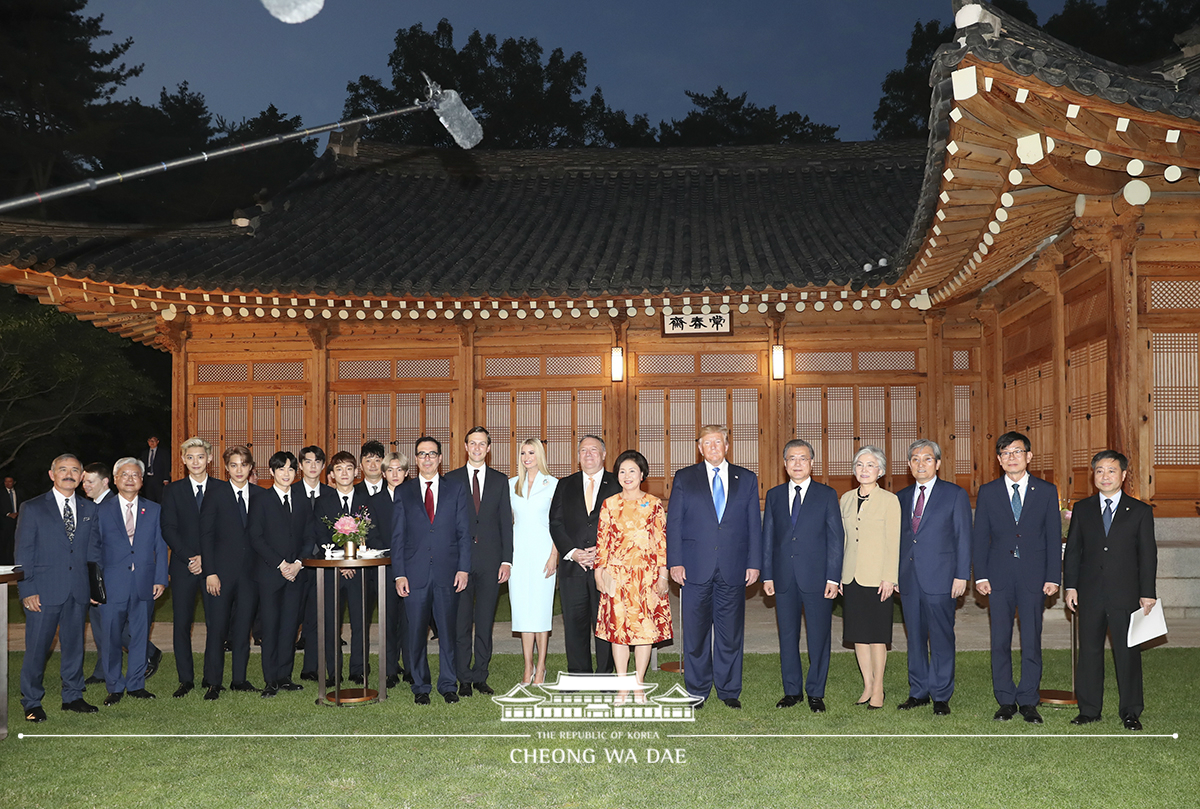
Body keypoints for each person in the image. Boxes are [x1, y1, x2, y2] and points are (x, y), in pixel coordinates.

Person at [666, 425, 762, 709]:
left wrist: (754, 563)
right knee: (695, 634)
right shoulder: (685, 478)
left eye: (717, 442)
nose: (712, 448)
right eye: (706, 443)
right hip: (694, 567)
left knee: (730, 633)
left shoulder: (746, 478)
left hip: (733, 567)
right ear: (699, 448)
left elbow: (753, 526)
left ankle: (729, 689)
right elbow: (675, 524)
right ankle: (697, 690)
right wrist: (675, 562)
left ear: (727, 446)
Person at [972, 431, 1061, 723]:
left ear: (1029, 456)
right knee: (1000, 640)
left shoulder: (1047, 491)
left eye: (1017, 451)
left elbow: (1052, 536)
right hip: (998, 577)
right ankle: (1005, 699)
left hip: (1034, 577)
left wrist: (1053, 576)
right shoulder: (988, 491)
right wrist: (980, 575)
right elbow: (980, 536)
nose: (1012, 457)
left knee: (1031, 639)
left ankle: (1028, 699)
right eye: (1006, 453)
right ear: (999, 459)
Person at [1065, 450, 1157, 731]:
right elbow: (1073, 552)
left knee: (1127, 653)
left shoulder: (1140, 511)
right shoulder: (1082, 509)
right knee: (1090, 652)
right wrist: (1070, 586)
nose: (1105, 476)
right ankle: (1089, 709)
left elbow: (1147, 555)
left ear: (1124, 475)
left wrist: (1148, 592)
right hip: (1090, 593)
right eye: (1100, 471)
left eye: (1112, 471)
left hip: (1126, 594)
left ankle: (1131, 711)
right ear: (1094, 476)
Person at [17, 454, 101, 722]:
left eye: (75, 470)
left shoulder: (90, 510)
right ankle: (31, 701)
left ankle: (73, 696)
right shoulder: (32, 508)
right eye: (63, 469)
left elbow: (92, 552)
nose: (69, 474)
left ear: (81, 477)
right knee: (37, 648)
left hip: (77, 590)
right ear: (52, 474)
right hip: (43, 590)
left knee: (75, 646)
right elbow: (24, 552)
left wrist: (94, 588)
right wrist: (27, 588)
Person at [762, 439, 843, 712]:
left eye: (803, 459)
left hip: (818, 579)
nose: (798, 464)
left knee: (819, 636)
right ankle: (792, 691)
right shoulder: (773, 495)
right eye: (792, 459)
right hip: (784, 578)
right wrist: (767, 575)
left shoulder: (827, 494)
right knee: (788, 636)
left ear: (812, 463)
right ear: (785, 464)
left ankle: (816, 691)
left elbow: (836, 539)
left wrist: (834, 577)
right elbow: (768, 538)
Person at [391, 436, 471, 704]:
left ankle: (448, 684)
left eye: (432, 454)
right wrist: (399, 574)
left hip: (448, 573)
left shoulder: (456, 489)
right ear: (415, 459)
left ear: (439, 459)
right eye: (421, 454)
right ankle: (420, 686)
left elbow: (463, 533)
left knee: (447, 632)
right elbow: (398, 537)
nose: (427, 459)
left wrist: (463, 569)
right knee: (416, 634)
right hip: (414, 574)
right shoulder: (404, 491)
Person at [896, 439, 972, 716]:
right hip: (908, 578)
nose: (921, 464)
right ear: (909, 465)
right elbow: (897, 540)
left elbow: (964, 537)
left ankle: (941, 694)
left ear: (938, 464)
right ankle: (918, 691)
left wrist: (962, 575)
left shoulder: (954, 494)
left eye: (927, 459)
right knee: (914, 637)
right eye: (915, 459)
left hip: (942, 577)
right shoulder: (901, 497)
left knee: (941, 637)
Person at [594, 450, 670, 704]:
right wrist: (599, 571)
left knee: (643, 633)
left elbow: (661, 542)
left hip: (645, 577)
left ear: (642, 474)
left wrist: (662, 575)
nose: (627, 476)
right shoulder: (610, 504)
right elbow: (602, 541)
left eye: (632, 471)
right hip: (616, 576)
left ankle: (638, 685)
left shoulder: (654, 504)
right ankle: (623, 687)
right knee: (619, 633)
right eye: (623, 471)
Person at [93, 457, 168, 705]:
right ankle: (114, 686)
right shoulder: (100, 511)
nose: (130, 478)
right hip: (112, 584)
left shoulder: (154, 509)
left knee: (139, 635)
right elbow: (93, 550)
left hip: (145, 583)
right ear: (115, 480)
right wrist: (95, 585)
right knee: (112, 638)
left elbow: (160, 545)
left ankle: (136, 685)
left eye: (135, 475)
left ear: (142, 480)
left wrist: (160, 578)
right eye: (124, 474)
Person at [447, 427, 513, 696]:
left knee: (485, 622)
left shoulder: (500, 481)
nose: (476, 448)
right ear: (465, 447)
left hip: (490, 562)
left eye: (482, 444)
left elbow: (505, 524)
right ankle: (463, 677)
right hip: (460, 564)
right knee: (461, 623)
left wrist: (507, 561)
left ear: (488, 449)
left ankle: (480, 675)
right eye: (472, 443)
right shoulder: (450, 480)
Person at [550, 435, 619, 675]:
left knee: (605, 622)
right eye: (583, 451)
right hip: (573, 568)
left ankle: (605, 674)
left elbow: (625, 526)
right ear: (578, 456)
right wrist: (572, 552)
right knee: (574, 624)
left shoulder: (617, 483)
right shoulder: (565, 484)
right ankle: (578, 674)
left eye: (593, 450)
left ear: (603, 454)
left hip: (607, 568)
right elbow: (555, 523)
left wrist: (603, 551)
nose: (588, 454)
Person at [839, 445, 901, 710]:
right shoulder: (846, 499)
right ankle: (867, 685)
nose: (864, 470)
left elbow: (894, 542)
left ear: (881, 471)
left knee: (876, 636)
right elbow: (842, 540)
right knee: (858, 636)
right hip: (850, 576)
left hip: (877, 579)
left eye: (870, 465)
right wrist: (839, 575)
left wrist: (890, 577)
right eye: (860, 465)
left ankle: (879, 689)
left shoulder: (890, 500)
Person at [248, 451, 314, 697]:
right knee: (271, 628)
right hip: (270, 575)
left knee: (290, 628)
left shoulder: (302, 499)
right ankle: (270, 680)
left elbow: (310, 536)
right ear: (272, 472)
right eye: (281, 469)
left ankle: (285, 676)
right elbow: (256, 536)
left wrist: (298, 563)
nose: (286, 474)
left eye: (290, 469)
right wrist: (281, 564)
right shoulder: (261, 500)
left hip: (297, 574)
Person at [199, 445, 261, 699]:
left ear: (250, 468)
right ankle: (213, 681)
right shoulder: (214, 494)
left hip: (250, 576)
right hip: (220, 575)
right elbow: (206, 535)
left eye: (243, 465)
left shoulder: (260, 495)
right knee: (217, 629)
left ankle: (239, 679)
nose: (238, 470)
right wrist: (210, 572)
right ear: (226, 467)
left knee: (243, 629)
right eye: (233, 465)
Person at [312, 451, 373, 685]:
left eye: (349, 468)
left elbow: (372, 534)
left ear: (356, 471)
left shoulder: (366, 501)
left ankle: (358, 669)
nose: (344, 473)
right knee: (331, 624)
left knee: (360, 623)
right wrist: (341, 563)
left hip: (360, 572)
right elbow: (319, 535)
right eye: (339, 469)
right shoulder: (322, 502)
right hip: (331, 572)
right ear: (332, 475)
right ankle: (333, 672)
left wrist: (354, 560)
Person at [160, 438, 212, 697]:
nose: (195, 462)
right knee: (182, 623)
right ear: (182, 460)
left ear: (209, 459)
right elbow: (168, 528)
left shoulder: (221, 489)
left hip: (214, 567)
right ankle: (186, 679)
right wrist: (191, 557)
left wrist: (207, 558)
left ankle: (212, 679)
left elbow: (227, 530)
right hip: (183, 566)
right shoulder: (173, 491)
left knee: (216, 623)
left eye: (200, 457)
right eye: (190, 457)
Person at [510, 438, 560, 684]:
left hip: (543, 555)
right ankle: (527, 666)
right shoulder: (511, 485)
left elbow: (558, 524)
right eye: (523, 453)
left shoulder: (553, 485)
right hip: (518, 556)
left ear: (539, 455)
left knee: (540, 612)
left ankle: (541, 667)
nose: (527, 457)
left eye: (531, 452)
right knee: (522, 612)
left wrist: (554, 556)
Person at [294, 444, 333, 681]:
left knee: (318, 617)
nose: (312, 466)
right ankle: (281, 670)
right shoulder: (291, 491)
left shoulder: (330, 494)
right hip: (296, 564)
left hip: (323, 564)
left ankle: (312, 667)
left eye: (317, 462)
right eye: (307, 461)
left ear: (322, 466)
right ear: (300, 465)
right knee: (294, 616)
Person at [378, 450, 412, 688]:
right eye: (390, 470)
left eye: (399, 469)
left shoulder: (415, 497)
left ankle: (411, 667)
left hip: (412, 567)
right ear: (383, 473)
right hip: (384, 569)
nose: (395, 474)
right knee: (388, 620)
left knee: (410, 620)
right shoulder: (373, 501)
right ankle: (390, 669)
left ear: (407, 472)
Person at [81, 462, 116, 686]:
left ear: (105, 482)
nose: (84, 485)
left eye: (89, 481)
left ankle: (149, 653)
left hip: (106, 575)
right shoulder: (93, 506)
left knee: (110, 626)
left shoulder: (110, 506)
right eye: (84, 481)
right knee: (101, 626)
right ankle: (103, 669)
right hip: (94, 573)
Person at [140, 435, 171, 503]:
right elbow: (142, 466)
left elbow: (166, 465)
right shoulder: (145, 453)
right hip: (148, 479)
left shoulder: (163, 453)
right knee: (149, 498)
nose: (151, 443)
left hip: (159, 479)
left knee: (160, 498)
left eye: (153, 441)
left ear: (157, 442)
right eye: (150, 441)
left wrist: (166, 479)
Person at [2, 475, 17, 565]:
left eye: (10, 481)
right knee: (5, 543)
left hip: (17, 521)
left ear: (14, 482)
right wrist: (8, 514)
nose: (8, 484)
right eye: (6, 482)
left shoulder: (19, 492)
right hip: (4, 522)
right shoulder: (1, 493)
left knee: (14, 543)